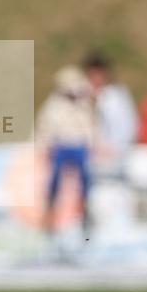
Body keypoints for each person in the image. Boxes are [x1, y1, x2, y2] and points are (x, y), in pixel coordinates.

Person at [35, 66, 95, 235]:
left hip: (78, 145)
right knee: (55, 178)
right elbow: (45, 127)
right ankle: (50, 210)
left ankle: (85, 209)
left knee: (85, 177)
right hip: (61, 145)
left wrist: (91, 143)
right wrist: (43, 145)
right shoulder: (54, 105)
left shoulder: (83, 104)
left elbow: (89, 126)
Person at [83, 51, 138, 158]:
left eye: (99, 73)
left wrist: (115, 149)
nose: (96, 77)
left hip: (116, 153)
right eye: (92, 74)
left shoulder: (118, 96)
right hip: (87, 154)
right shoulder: (79, 95)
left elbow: (129, 126)